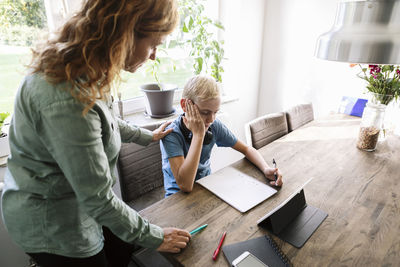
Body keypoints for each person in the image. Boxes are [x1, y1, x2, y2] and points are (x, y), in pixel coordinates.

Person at [1, 0, 191, 266]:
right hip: (54, 226)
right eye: (153, 44)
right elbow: (99, 199)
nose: (154, 55)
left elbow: (105, 120)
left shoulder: (86, 66)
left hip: (83, 204)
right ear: (125, 34)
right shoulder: (67, 99)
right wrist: (157, 236)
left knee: (122, 250)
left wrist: (147, 136)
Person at [160, 75, 283, 197]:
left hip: (206, 187)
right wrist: (198, 135)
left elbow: (246, 149)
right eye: (205, 112)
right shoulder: (171, 134)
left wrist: (266, 169)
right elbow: (185, 185)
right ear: (184, 105)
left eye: (215, 112)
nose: (211, 119)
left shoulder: (214, 125)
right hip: (177, 198)